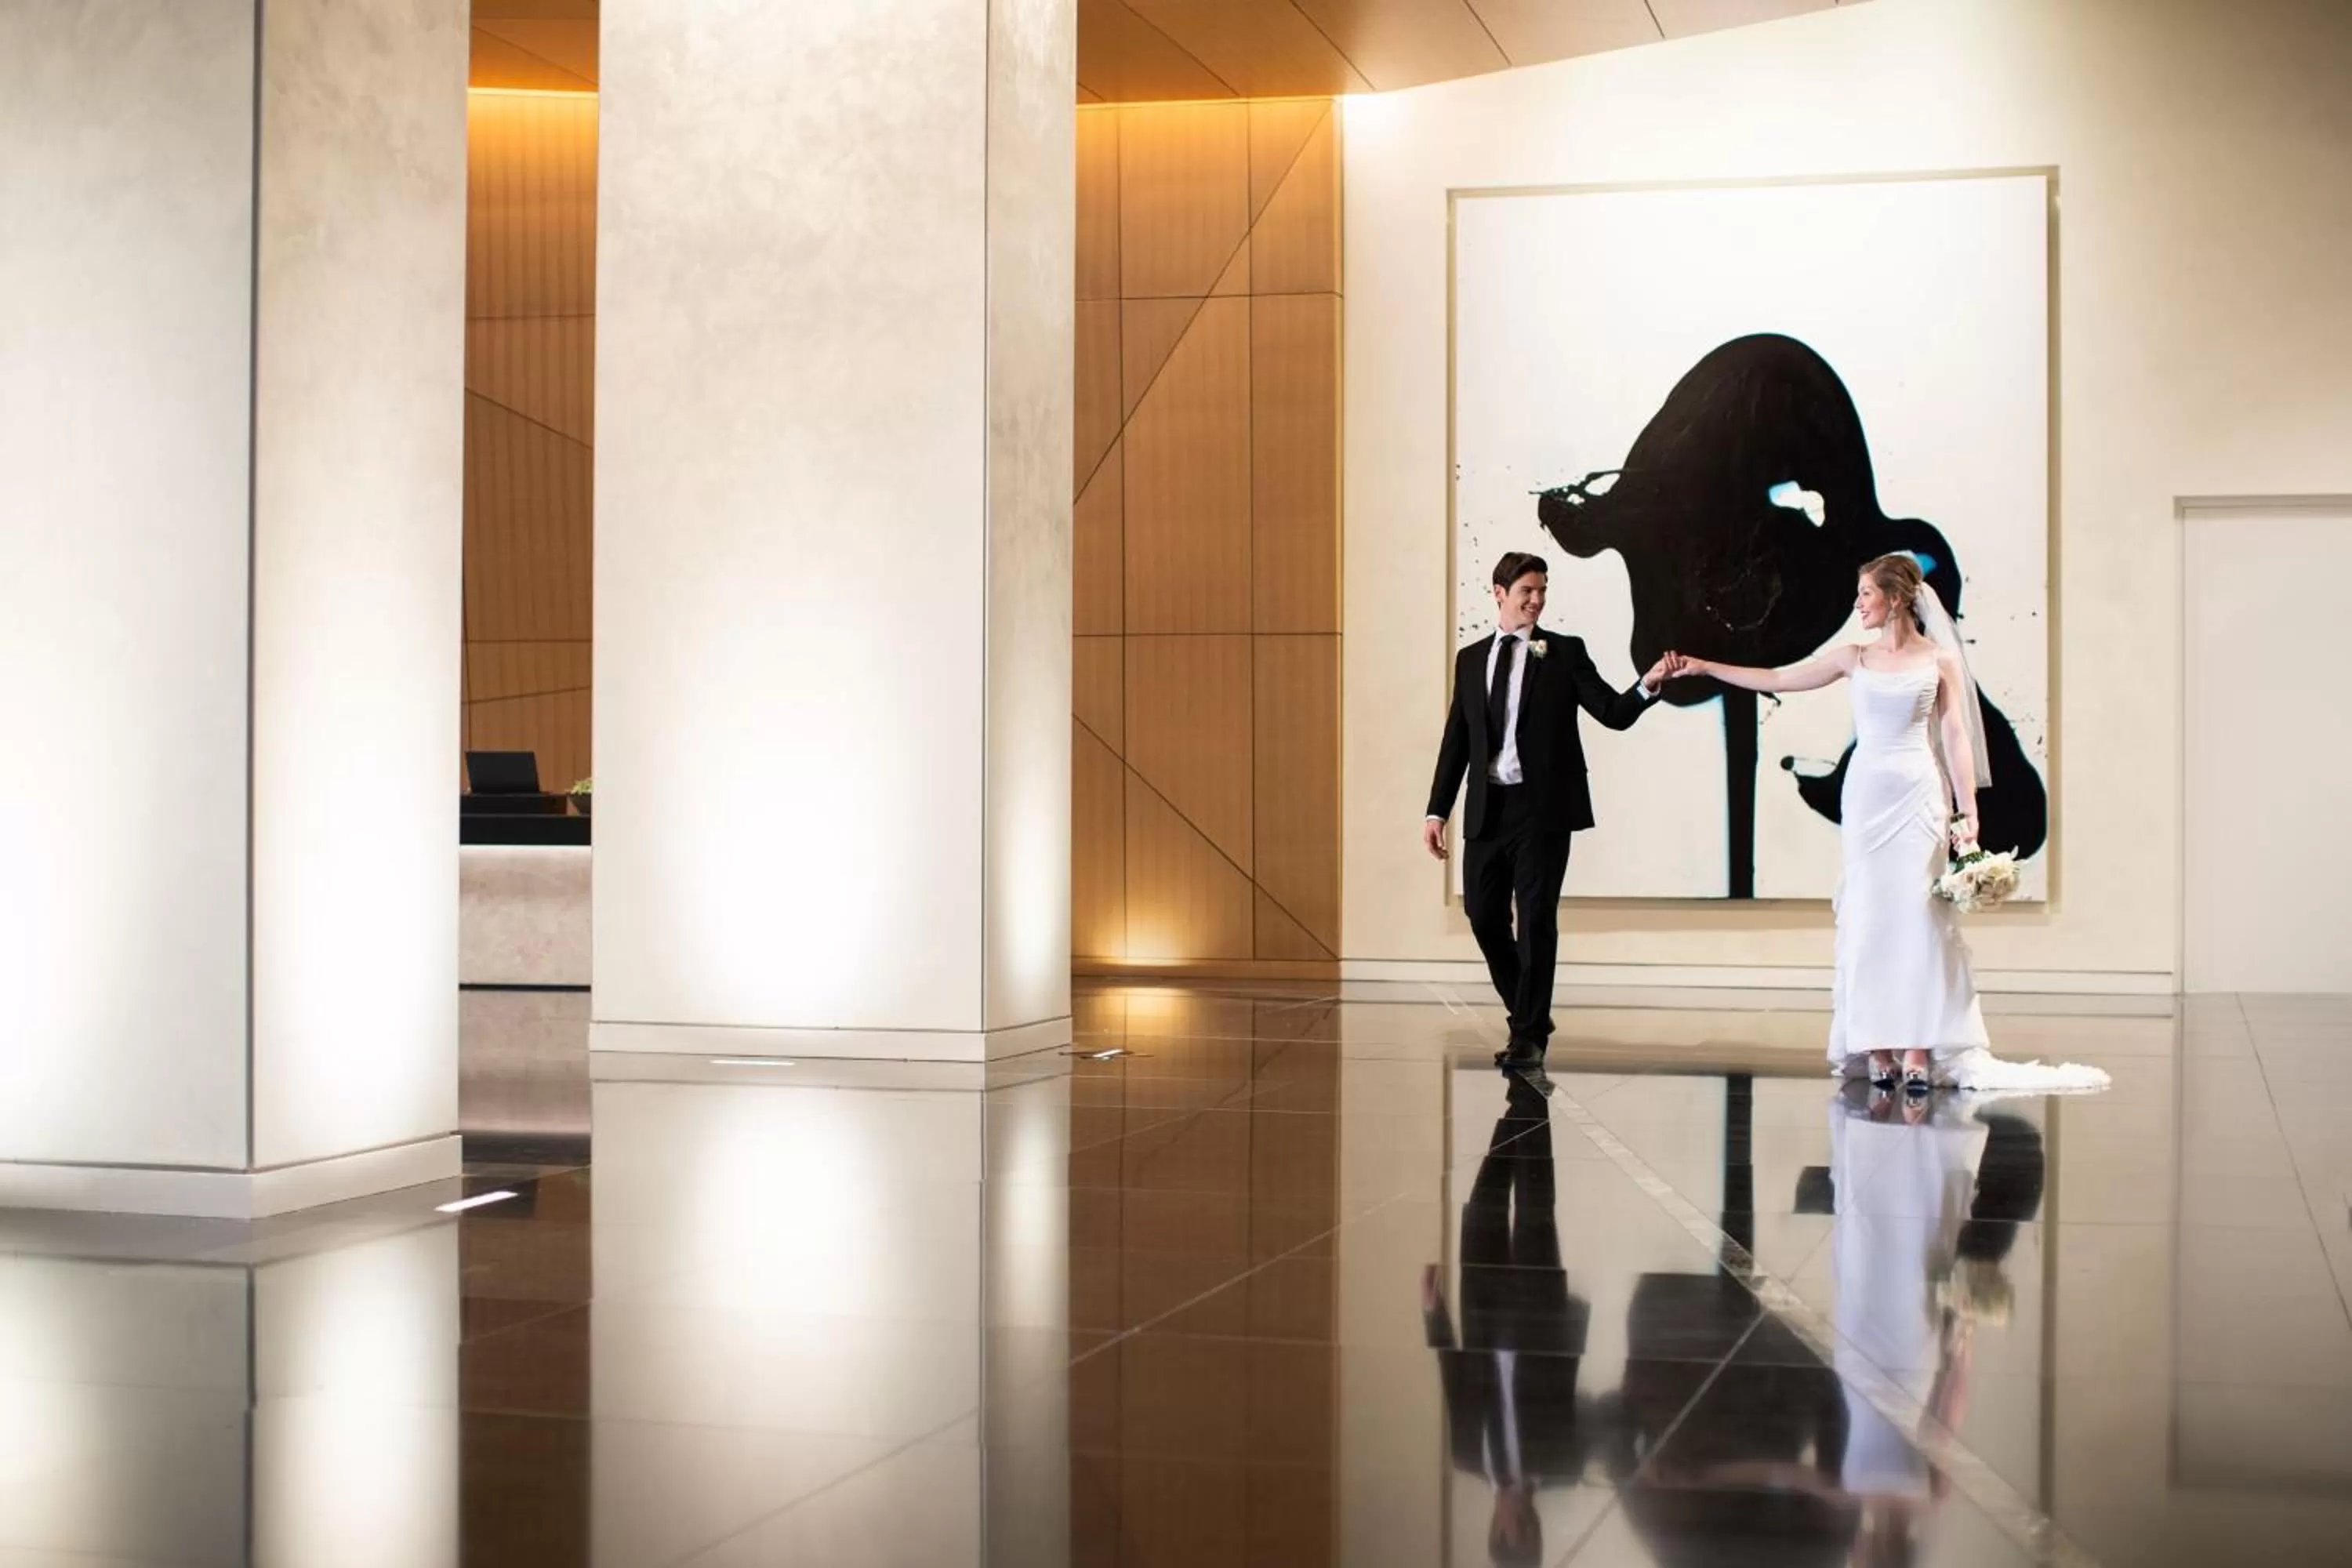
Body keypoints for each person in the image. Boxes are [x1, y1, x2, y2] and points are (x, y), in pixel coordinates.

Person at [1664, 554, 2107, 1094]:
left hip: (1920, 794)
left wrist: (1967, 813)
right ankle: (1877, 1044)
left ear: (1895, 598)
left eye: (1866, 594)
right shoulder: (1853, 657)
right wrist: (1708, 666)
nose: (1857, 604)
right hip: (1869, 796)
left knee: (1919, 919)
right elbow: (1779, 677)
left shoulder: (1940, 660)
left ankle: (1918, 1044)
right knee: (1871, 916)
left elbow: (1956, 738)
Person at [1425, 552, 1672, 1068]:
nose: (1536, 600)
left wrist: (1646, 686)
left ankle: (1530, 1036)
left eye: (1542, 591)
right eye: (1526, 592)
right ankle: (1528, 1012)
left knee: (1535, 920)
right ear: (1499, 593)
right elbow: (1457, 739)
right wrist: (1436, 811)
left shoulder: (1561, 652)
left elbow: (1611, 711)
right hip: (1488, 808)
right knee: (1483, 915)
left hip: (1542, 811)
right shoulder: (1471, 659)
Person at [1421, 1073, 1592, 1566]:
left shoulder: (1469, 1457)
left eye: (1510, 1532)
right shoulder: (1560, 1464)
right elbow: (1571, 1387)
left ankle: (1519, 1107)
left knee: (1481, 1208)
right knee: (1536, 1205)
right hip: (1539, 1313)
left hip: (1484, 1313)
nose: (1517, 1522)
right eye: (1526, 1533)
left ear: (1497, 1529)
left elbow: (1453, 1382)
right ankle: (1530, 1100)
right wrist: (1571, 1319)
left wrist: (1436, 1316)